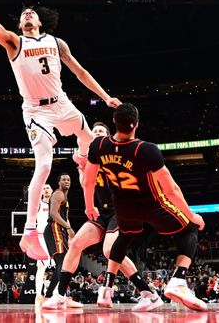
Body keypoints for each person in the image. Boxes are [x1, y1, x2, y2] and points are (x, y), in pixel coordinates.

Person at [0, 0, 120, 260]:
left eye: (31, 13)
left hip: (62, 103)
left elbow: (81, 73)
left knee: (91, 144)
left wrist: (105, 96)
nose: (27, 14)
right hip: (35, 112)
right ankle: (30, 231)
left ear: (40, 22)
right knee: (43, 166)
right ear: (19, 24)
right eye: (23, 14)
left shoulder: (57, 43)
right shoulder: (13, 42)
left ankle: (84, 165)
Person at [82, 104, 206, 312]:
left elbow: (88, 181)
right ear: (136, 125)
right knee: (190, 228)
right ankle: (178, 281)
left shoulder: (98, 145)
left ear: (114, 121)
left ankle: (106, 288)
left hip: (123, 206)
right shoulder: (146, 149)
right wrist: (191, 214)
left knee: (124, 238)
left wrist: (88, 206)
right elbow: (171, 189)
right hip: (150, 204)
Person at [42, 122, 149, 311]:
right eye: (94, 131)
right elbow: (85, 185)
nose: (97, 133)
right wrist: (82, 167)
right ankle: (59, 296)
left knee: (110, 251)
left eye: (101, 131)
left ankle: (147, 292)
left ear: (108, 137)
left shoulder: (114, 154)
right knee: (75, 245)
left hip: (121, 209)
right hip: (103, 212)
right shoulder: (90, 158)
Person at [43, 174, 81, 306]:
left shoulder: (64, 196)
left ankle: (50, 296)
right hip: (54, 229)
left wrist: (70, 231)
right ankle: (61, 296)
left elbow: (64, 217)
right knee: (64, 261)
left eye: (69, 179)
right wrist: (68, 227)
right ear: (59, 182)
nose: (66, 181)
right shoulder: (58, 194)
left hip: (60, 230)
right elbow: (53, 213)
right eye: (64, 179)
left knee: (62, 263)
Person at [35, 183, 53, 304]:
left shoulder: (57, 203)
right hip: (41, 238)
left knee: (60, 267)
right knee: (41, 267)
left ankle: (56, 294)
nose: (46, 190)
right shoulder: (38, 204)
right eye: (44, 188)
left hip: (55, 238)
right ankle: (38, 294)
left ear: (52, 191)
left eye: (48, 188)